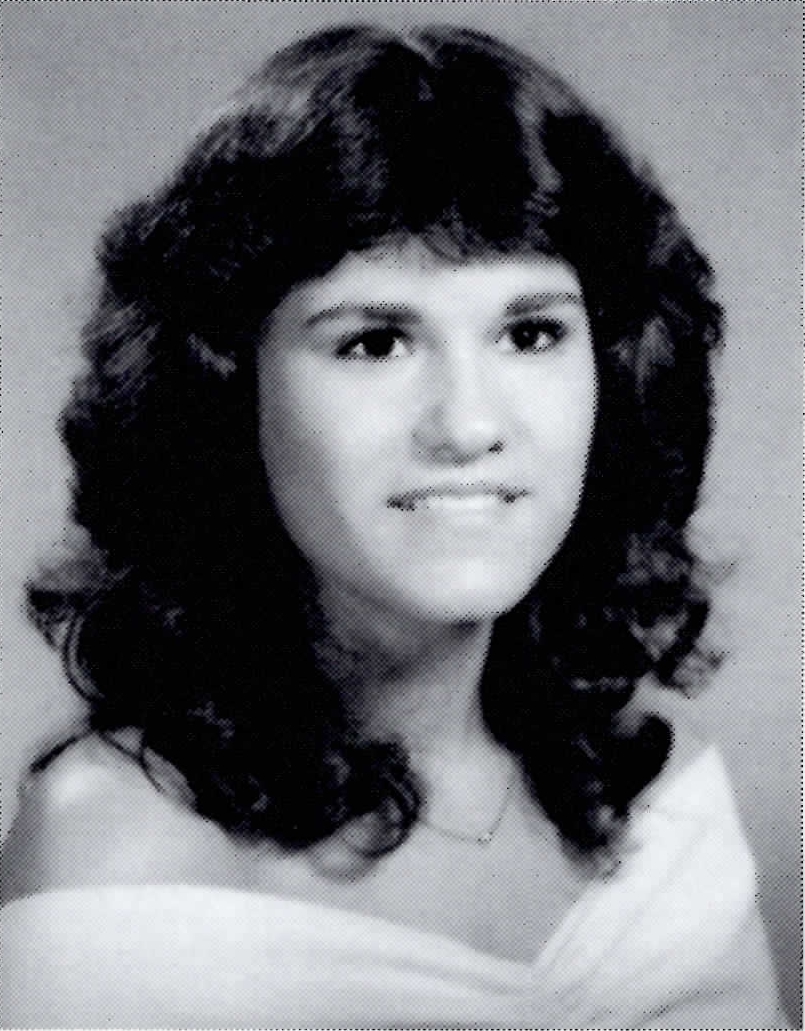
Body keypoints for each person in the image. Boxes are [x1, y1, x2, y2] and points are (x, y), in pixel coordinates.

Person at [0, 24, 786, 1028]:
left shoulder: (659, 798)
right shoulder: (119, 859)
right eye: (374, 342)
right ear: (225, 393)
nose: (468, 424)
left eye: (530, 333)